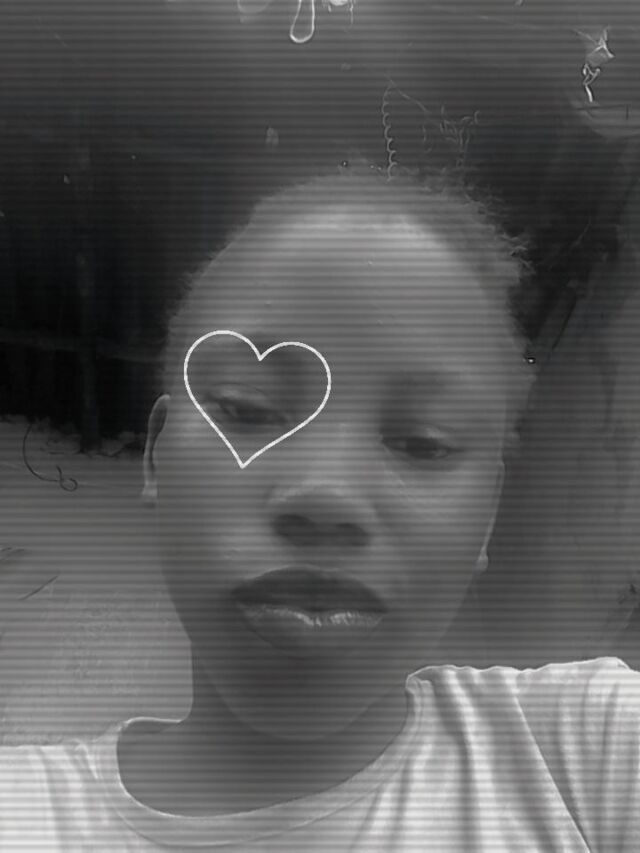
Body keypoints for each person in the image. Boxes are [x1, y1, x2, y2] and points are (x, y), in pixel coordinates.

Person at [1, 170, 639, 850]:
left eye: (424, 442)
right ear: (158, 457)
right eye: (248, 408)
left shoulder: (586, 748)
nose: (326, 494)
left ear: (486, 517)